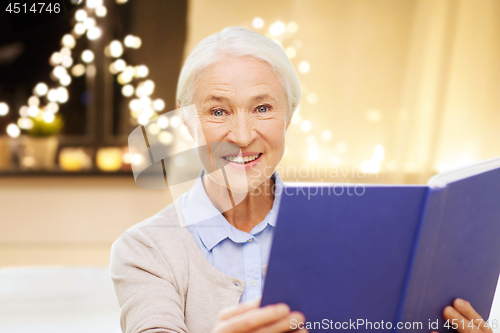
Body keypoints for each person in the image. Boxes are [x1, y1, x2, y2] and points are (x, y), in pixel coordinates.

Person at [109, 27, 492, 333]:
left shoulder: (351, 231)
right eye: (218, 111)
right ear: (187, 122)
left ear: (288, 117)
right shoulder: (145, 251)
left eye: (263, 108)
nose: (242, 136)